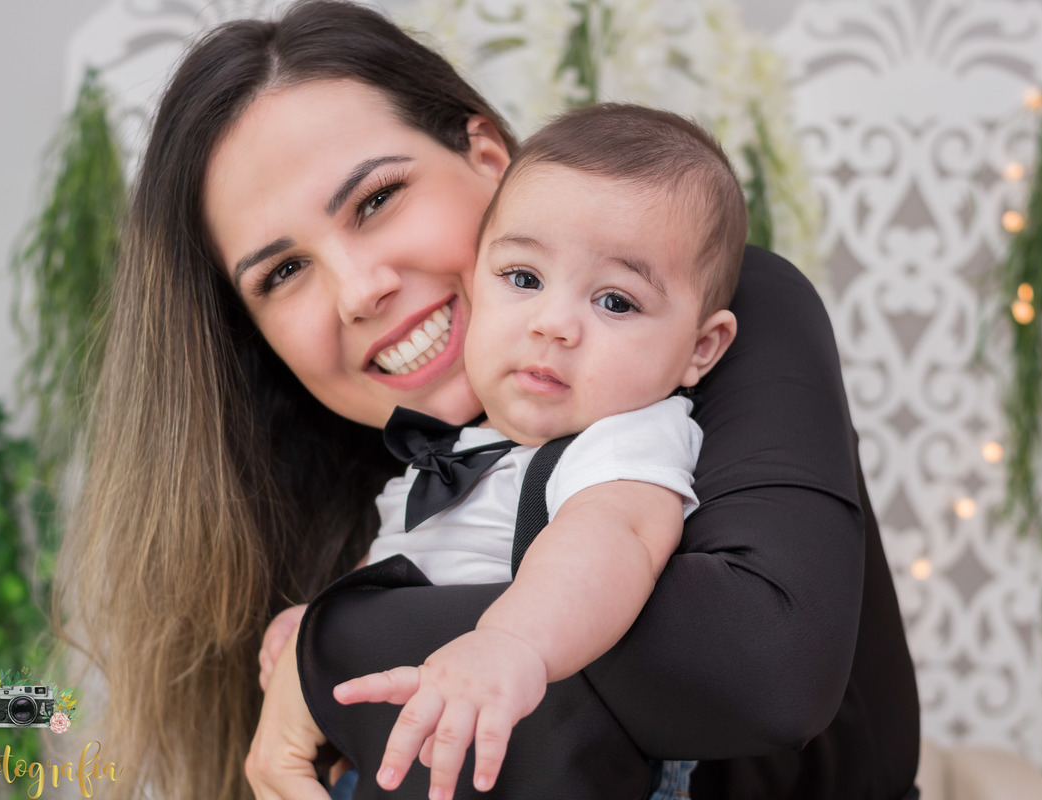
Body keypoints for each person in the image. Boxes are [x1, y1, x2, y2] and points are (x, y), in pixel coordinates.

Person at [55, 2, 920, 800]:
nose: (358, 290)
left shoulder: (698, 329)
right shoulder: (371, 475)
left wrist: (330, 649)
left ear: (488, 158)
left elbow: (764, 668)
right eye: (283, 272)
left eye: (377, 199)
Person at [310, 102, 745, 800]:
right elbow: (401, 563)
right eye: (523, 278)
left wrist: (515, 642)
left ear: (701, 347)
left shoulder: (623, 437)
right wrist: (316, 628)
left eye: (616, 301)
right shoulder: (457, 450)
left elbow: (613, 539)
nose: (553, 324)